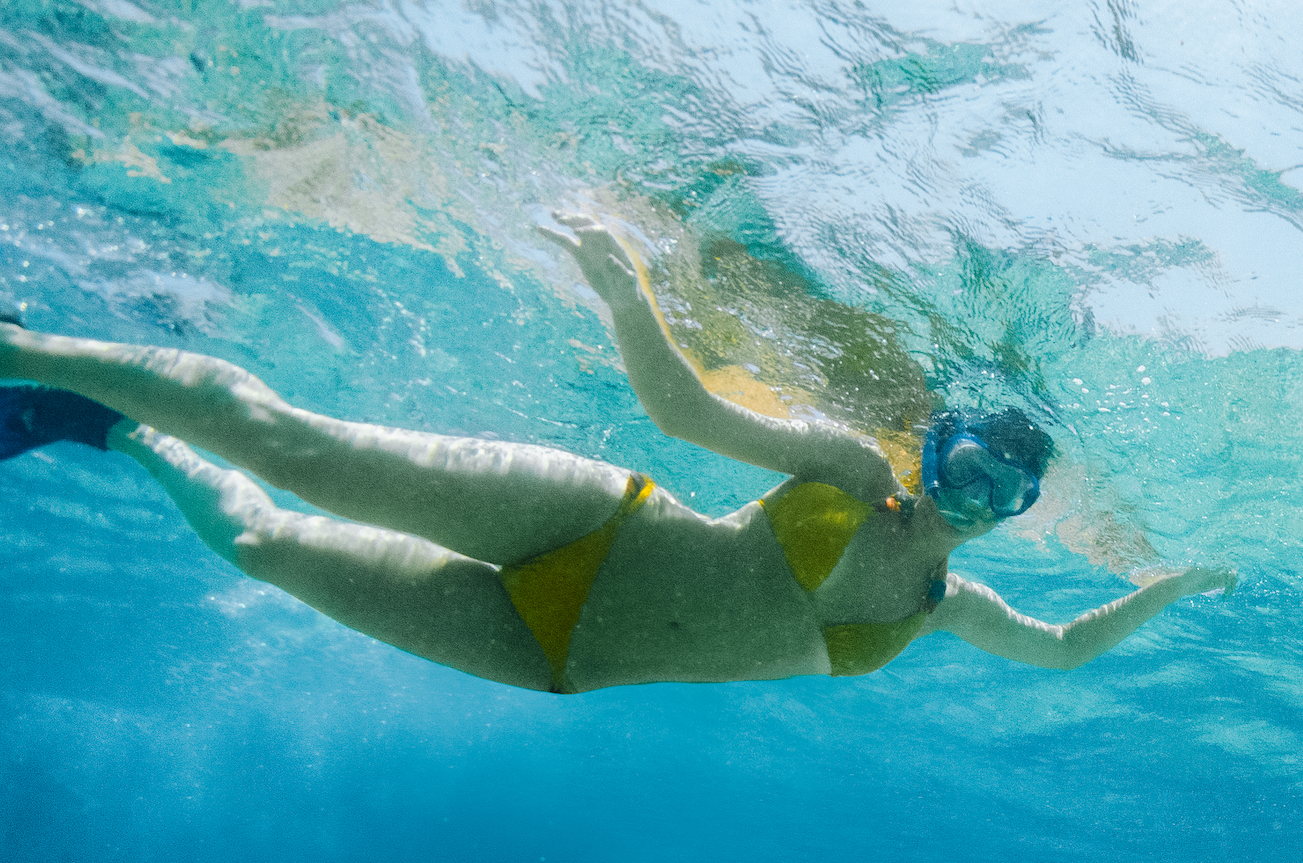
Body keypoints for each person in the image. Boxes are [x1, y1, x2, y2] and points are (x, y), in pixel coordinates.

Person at [0, 216, 1233, 695]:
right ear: (935, 442)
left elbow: (1068, 646)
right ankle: (25, 348)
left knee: (261, 539)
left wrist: (1166, 589)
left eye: (1004, 495)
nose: (971, 499)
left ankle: (103, 425)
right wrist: (625, 288)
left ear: (1017, 510)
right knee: (297, 452)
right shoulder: (860, 471)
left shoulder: (948, 607)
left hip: (547, 653)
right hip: (587, 525)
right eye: (964, 463)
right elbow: (692, 417)